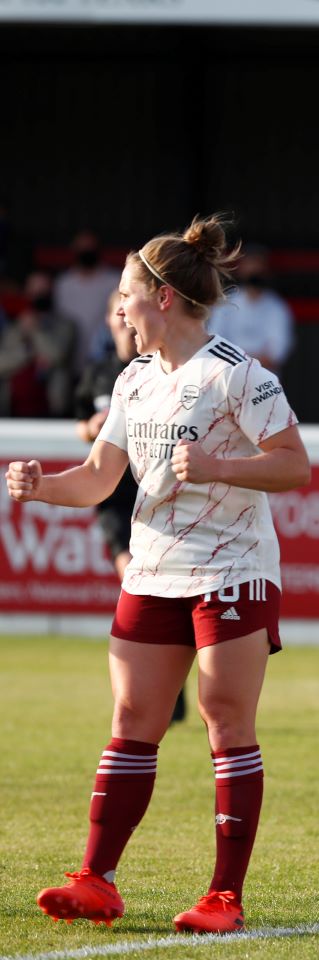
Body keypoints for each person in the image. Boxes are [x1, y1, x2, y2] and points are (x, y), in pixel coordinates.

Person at [6, 215, 310, 934]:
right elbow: (97, 478)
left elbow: (295, 465)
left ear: (164, 298)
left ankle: (224, 898)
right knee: (131, 722)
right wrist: (40, 485)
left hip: (232, 569)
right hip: (152, 571)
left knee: (225, 722)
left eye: (126, 294)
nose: (118, 309)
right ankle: (96, 880)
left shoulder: (238, 373)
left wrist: (218, 467)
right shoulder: (135, 376)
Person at [75, 290, 187, 724]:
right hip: (113, 499)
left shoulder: (159, 370)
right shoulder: (101, 374)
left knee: (154, 586)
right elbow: (80, 420)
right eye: (115, 314)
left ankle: (165, 692)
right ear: (108, 320)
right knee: (133, 575)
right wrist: (91, 428)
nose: (123, 320)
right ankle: (159, 695)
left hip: (154, 494)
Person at [0, 270, 77, 417]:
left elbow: (57, 356)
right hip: (12, 408)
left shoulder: (66, 325)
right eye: (34, 291)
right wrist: (28, 352)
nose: (38, 295)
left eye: (43, 290)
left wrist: (35, 330)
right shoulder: (15, 326)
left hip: (51, 407)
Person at [206, 244, 294, 372]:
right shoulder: (226, 304)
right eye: (250, 264)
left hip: (263, 382)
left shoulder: (277, 307)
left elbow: (276, 353)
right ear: (242, 268)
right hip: (228, 378)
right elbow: (214, 343)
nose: (254, 269)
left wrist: (239, 360)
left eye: (258, 264)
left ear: (265, 270)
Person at [54, 229, 121, 371]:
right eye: (82, 248)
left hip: (104, 360)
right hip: (69, 361)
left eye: (90, 248)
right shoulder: (64, 284)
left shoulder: (114, 281)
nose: (86, 252)